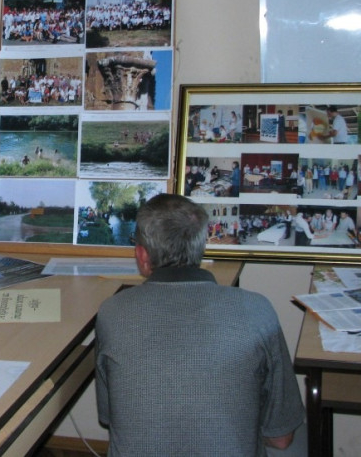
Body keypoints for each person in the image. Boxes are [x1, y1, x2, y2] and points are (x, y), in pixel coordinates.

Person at [95, 194, 304, 456]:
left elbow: (110, 416)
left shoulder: (111, 312)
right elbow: (281, 438)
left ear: (142, 255)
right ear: (201, 245)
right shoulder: (258, 311)